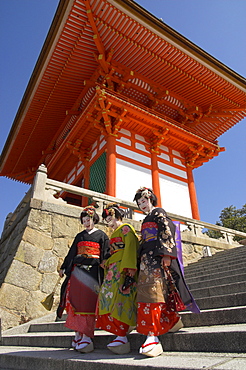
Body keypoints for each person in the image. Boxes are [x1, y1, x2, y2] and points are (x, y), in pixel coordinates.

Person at [133, 187, 200, 357]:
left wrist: (167, 254)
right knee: (154, 292)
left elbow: (167, 229)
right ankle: (173, 320)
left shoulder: (159, 213)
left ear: (151, 199)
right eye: (139, 202)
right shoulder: (146, 218)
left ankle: (153, 335)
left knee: (154, 293)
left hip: (157, 257)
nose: (142, 205)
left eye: (144, 201)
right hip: (146, 260)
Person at [58, 206, 110, 353]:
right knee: (75, 302)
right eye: (84, 220)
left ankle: (87, 336)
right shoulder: (79, 236)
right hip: (77, 271)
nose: (87, 223)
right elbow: (71, 252)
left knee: (88, 303)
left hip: (92, 272)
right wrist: (64, 267)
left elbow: (106, 252)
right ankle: (77, 333)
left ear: (95, 220)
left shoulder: (101, 235)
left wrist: (104, 262)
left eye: (89, 220)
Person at [96, 203, 139, 354]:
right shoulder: (114, 233)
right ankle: (119, 331)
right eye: (107, 219)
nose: (109, 221)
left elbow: (131, 247)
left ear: (118, 216)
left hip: (122, 268)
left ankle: (122, 332)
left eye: (110, 217)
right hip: (113, 269)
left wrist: (130, 268)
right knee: (107, 297)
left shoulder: (126, 228)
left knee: (120, 298)